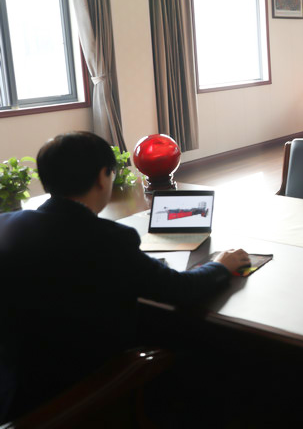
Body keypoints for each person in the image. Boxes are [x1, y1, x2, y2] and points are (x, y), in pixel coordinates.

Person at [0, 131, 249, 422]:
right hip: (75, 389)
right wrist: (221, 265)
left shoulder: (6, 225)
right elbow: (180, 290)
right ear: (102, 177)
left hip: (15, 377)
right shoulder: (108, 239)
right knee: (211, 351)